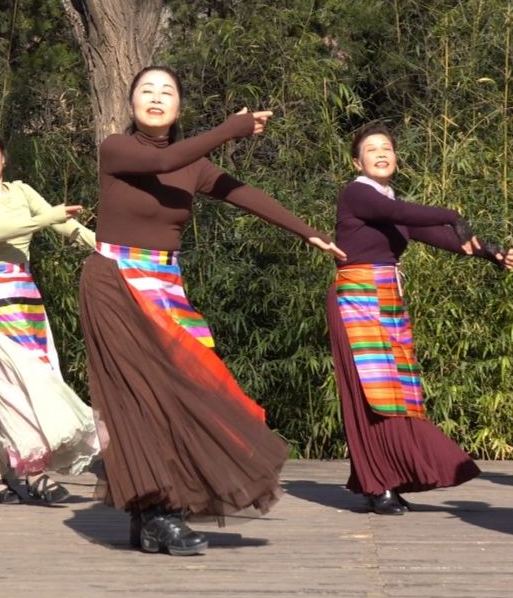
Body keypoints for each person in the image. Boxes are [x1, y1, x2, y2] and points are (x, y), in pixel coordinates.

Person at [78, 65, 345, 556]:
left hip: (164, 286)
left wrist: (307, 231)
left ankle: (151, 510)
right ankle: (159, 512)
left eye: (167, 91)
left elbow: (244, 195)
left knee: (189, 392)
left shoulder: (191, 165)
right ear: (131, 102)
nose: (156, 98)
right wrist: (231, 128)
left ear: (179, 106)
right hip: (113, 281)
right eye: (146, 91)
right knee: (143, 395)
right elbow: (166, 162)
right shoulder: (116, 148)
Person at [328, 126, 513, 514]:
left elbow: (438, 235)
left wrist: (492, 253)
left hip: (387, 299)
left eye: (387, 148)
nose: (382, 153)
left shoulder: (389, 203)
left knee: (395, 394)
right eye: (372, 149)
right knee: (370, 395)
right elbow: (399, 213)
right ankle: (376, 483)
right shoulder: (358, 194)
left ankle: (389, 478)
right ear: (357, 162)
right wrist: (454, 214)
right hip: (357, 299)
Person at [0, 129, 100, 506]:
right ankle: (34, 472)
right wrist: (48, 216)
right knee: (12, 386)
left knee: (8, 389)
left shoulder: (22, 191)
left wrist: (105, 247)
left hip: (25, 300)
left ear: (4, 158)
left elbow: (66, 226)